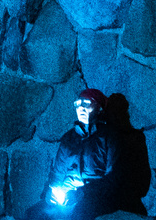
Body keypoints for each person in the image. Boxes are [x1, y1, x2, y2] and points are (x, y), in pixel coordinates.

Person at [26, 88, 121, 220]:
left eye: (86, 103)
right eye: (77, 104)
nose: (81, 108)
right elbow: (57, 173)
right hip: (65, 198)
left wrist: (81, 193)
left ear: (99, 108)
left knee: (78, 214)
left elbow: (113, 178)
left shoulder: (108, 137)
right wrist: (49, 193)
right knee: (32, 214)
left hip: (90, 197)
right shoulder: (68, 138)